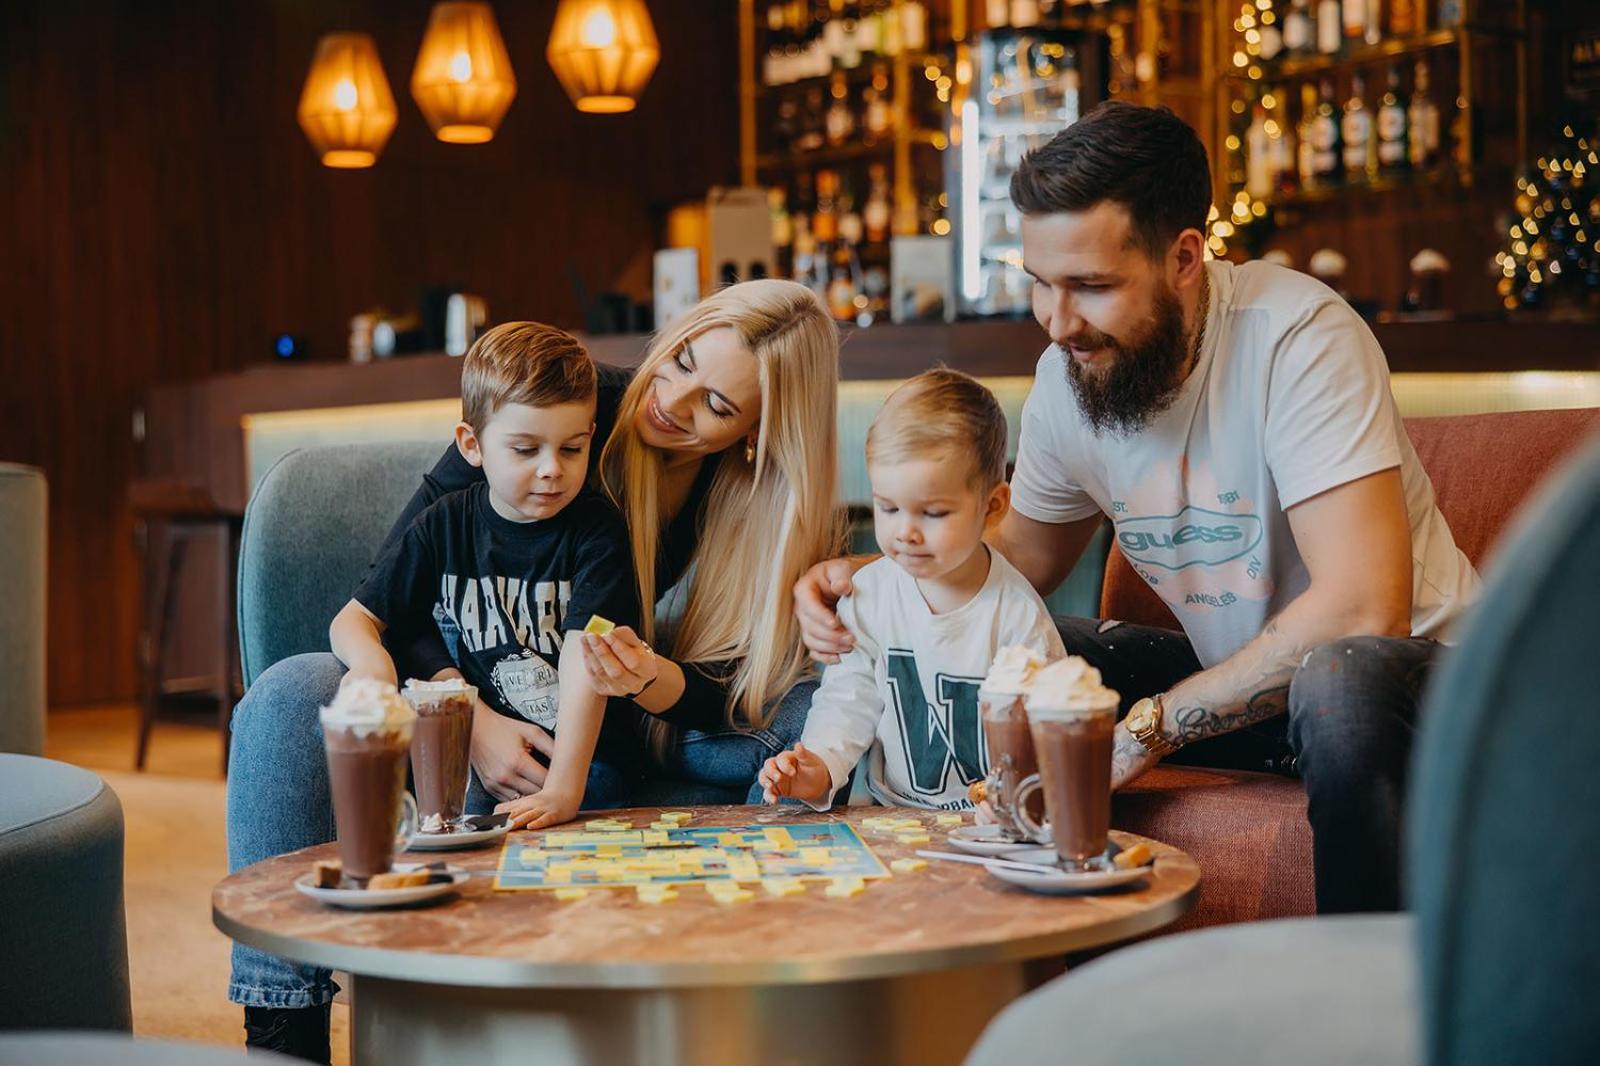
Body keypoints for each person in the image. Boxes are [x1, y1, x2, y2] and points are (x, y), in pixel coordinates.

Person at [793, 102, 1480, 915]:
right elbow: (1018, 561)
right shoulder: (1069, 380)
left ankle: (1366, 999)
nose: (1057, 323)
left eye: (1091, 287)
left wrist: (1148, 728)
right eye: (1041, 284)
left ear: (1185, 257)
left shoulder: (1299, 337)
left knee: (1340, 677)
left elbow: (1365, 608)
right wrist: (869, 579)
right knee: (1051, 653)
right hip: (1266, 705)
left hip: (1418, 688)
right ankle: (953, 886)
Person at [229, 280, 842, 1061]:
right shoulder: (570, 404)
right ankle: (282, 1030)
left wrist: (841, 578)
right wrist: (467, 716)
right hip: (452, 693)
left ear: (758, 433)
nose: (672, 402)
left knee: (800, 714)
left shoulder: (763, 509)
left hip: (631, 722)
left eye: (717, 406)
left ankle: (753, 1008)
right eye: (680, 360)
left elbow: (733, 693)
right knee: (288, 694)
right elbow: (399, 597)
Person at [329, 322, 638, 829]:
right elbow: (354, 619)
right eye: (525, 449)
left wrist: (563, 789)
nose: (551, 470)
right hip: (479, 761)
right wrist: (373, 674)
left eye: (571, 449)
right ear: (472, 446)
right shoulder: (442, 524)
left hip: (586, 764)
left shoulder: (598, 533)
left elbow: (587, 658)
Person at [760, 369, 1064, 810]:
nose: (906, 533)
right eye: (888, 507)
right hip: (893, 819)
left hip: (995, 826)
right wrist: (818, 766)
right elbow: (848, 700)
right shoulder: (869, 595)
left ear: (992, 507)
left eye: (934, 513)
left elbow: (1051, 735)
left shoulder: (1016, 615)